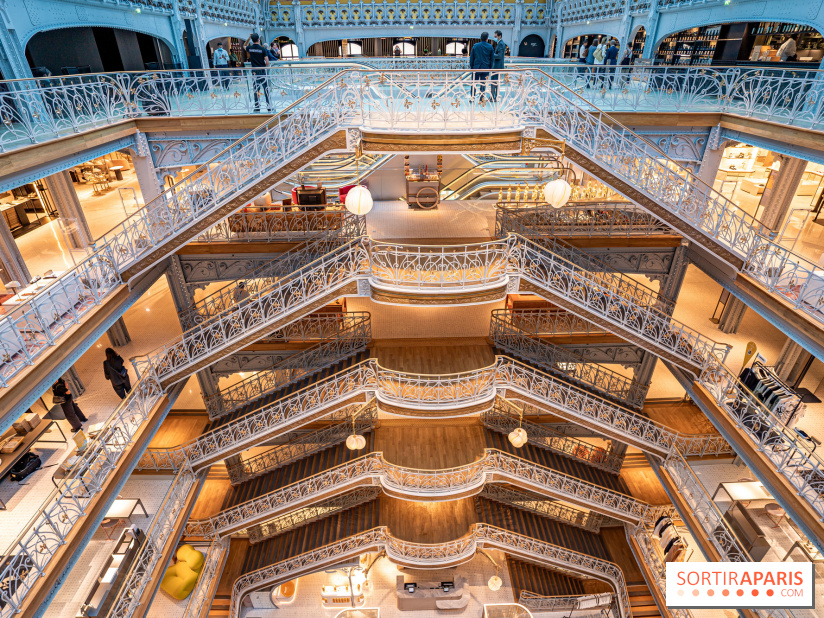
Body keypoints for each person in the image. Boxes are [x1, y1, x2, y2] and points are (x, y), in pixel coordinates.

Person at [244, 33, 271, 112]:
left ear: (252, 40)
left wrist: (248, 38)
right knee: (266, 88)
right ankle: (268, 106)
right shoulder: (263, 49)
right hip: (262, 71)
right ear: (258, 39)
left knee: (256, 89)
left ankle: (257, 106)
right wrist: (264, 66)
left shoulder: (250, 48)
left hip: (254, 72)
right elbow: (267, 62)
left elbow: (244, 45)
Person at [469, 32, 494, 101]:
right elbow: (492, 59)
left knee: (474, 83)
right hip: (485, 68)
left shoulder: (475, 46)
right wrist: (490, 68)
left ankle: (472, 98)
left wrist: (472, 67)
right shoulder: (490, 47)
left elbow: (472, 58)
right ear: (487, 38)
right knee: (483, 84)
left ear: (481, 38)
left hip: (476, 68)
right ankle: (481, 98)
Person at [490, 30, 506, 102]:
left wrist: (491, 54)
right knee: (495, 82)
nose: (494, 38)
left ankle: (494, 97)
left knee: (495, 82)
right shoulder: (499, 43)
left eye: (495, 37)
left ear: (499, 36)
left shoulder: (501, 44)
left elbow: (499, 56)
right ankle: (493, 97)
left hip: (497, 67)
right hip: (496, 66)